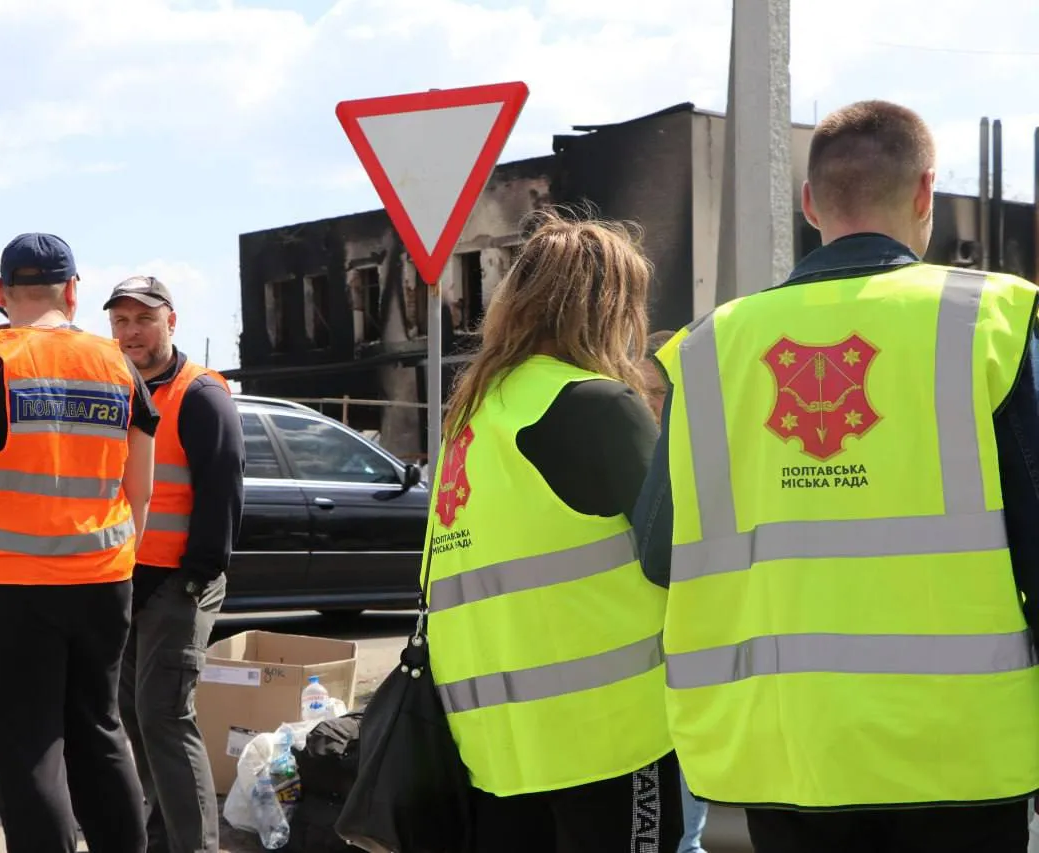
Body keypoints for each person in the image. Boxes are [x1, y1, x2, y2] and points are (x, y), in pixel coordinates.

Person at [632, 99, 1039, 853]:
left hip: (782, 753)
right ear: (925, 193)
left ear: (811, 203)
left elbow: (660, 553)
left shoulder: (711, 350)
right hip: (957, 753)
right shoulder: (989, 322)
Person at [423, 208, 683, 853]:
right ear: (609, 308)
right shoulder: (596, 405)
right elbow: (677, 546)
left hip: (497, 748)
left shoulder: (475, 416)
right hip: (608, 737)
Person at [0, 233, 158, 853]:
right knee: (100, 738)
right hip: (103, 586)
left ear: (2, 294)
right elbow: (140, 493)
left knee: (30, 760)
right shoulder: (119, 367)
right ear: (74, 293)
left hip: (4, 594)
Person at [104, 275, 244, 853]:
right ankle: (159, 839)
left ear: (171, 322)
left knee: (163, 715)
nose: (131, 332)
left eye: (143, 319)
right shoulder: (116, 387)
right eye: (121, 321)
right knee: (131, 716)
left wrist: (197, 573)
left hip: (179, 582)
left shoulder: (199, 393)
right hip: (126, 579)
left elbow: (223, 489)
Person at [640, 330, 709, 853]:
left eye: (654, 394)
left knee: (683, 829)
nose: (648, 404)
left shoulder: (685, 455)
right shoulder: (644, 451)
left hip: (685, 656)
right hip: (653, 671)